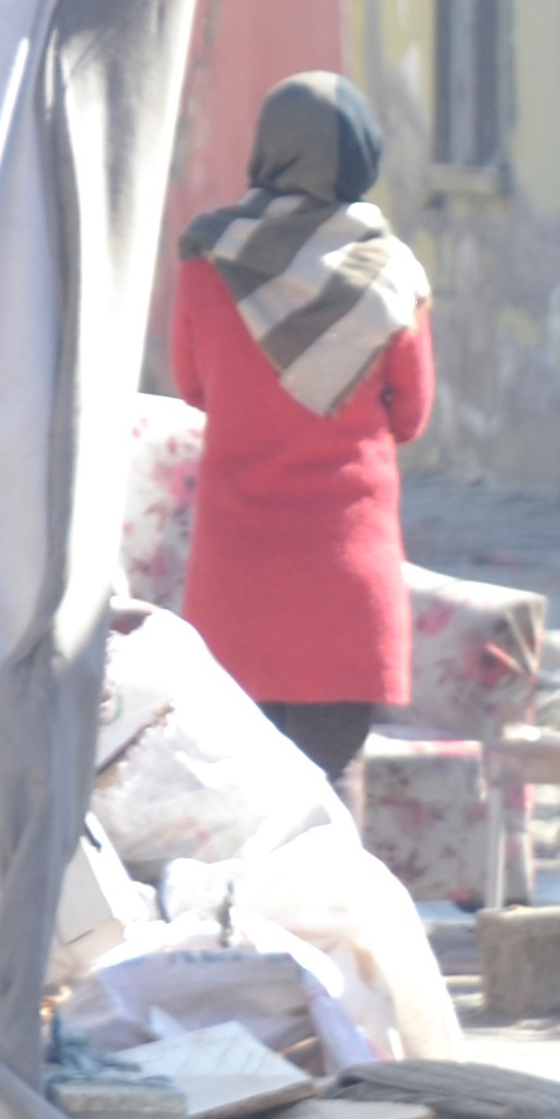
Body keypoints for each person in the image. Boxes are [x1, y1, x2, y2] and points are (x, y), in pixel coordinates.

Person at [167, 72, 433, 815]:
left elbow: (194, 387)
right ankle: (340, 933)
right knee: (330, 793)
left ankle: (246, 934)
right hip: (345, 583)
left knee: (242, 803)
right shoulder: (390, 274)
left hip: (237, 577)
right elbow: (409, 416)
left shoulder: (207, 262)